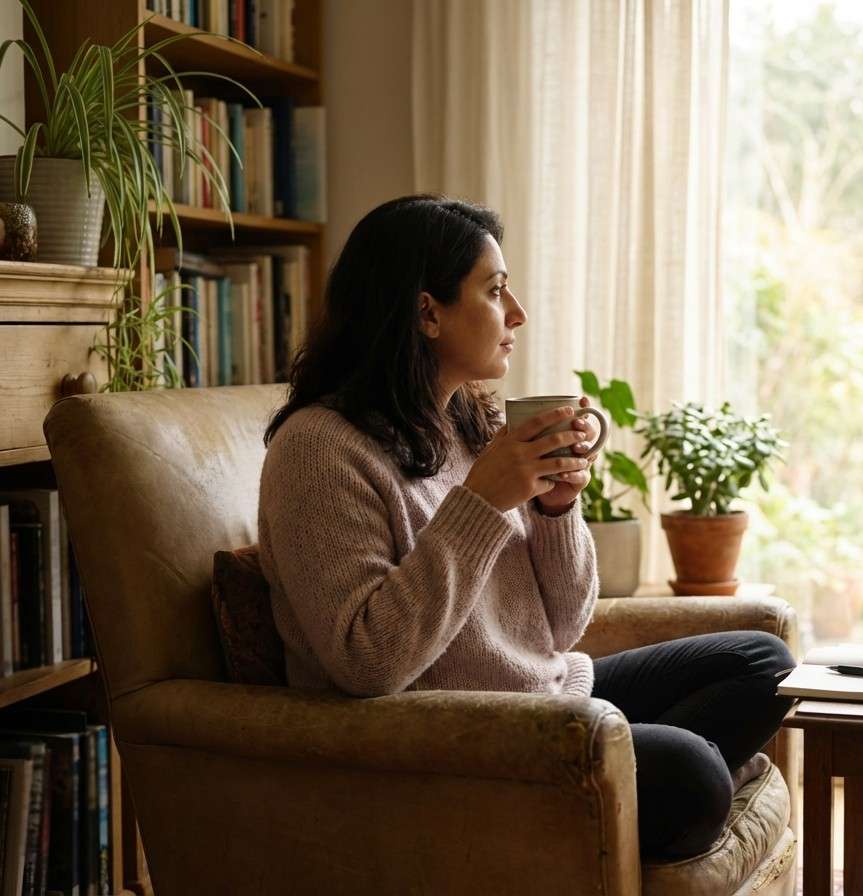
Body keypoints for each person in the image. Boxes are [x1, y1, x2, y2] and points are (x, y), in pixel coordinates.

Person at [257, 194, 797, 861]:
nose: (518, 315)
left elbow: (564, 628)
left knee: (765, 663)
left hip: (544, 701)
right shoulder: (319, 450)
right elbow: (369, 661)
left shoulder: (467, 424)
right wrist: (482, 504)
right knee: (691, 776)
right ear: (428, 312)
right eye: (495, 291)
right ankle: (680, 778)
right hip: (462, 740)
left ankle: (650, 781)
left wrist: (556, 511)